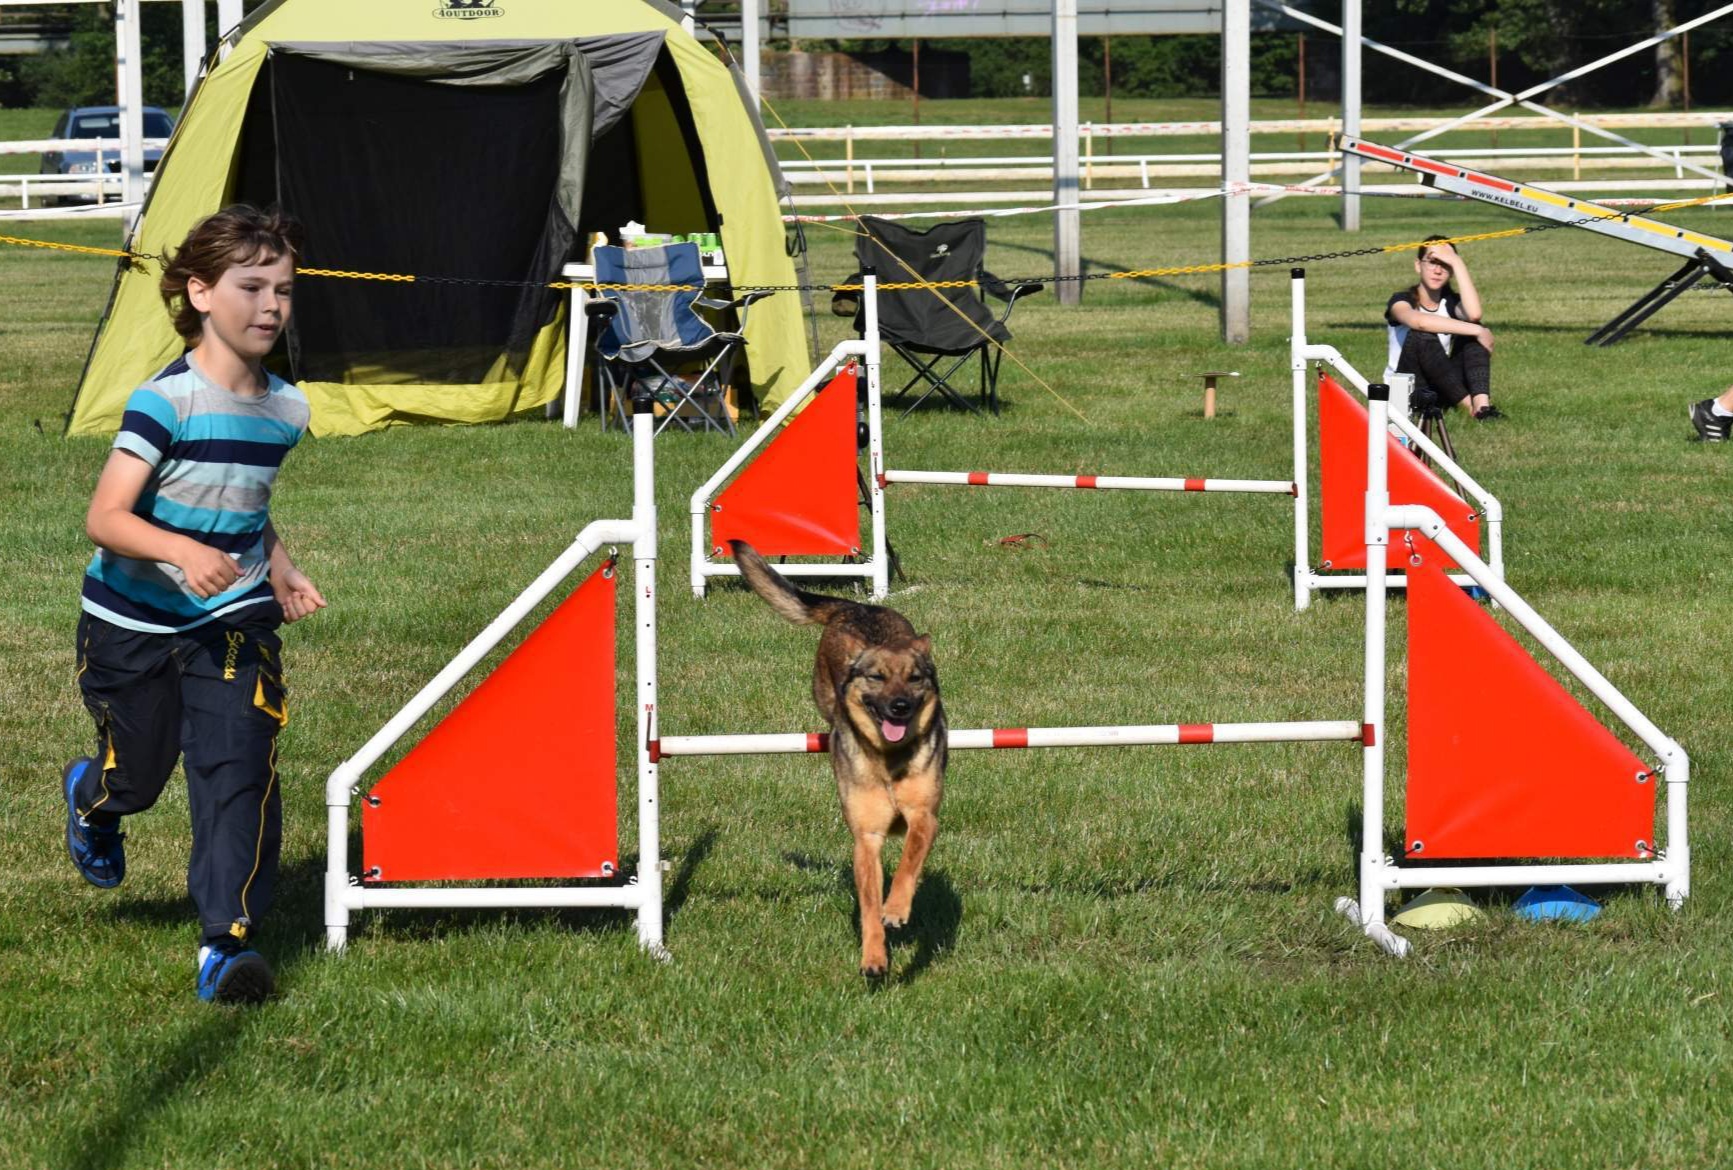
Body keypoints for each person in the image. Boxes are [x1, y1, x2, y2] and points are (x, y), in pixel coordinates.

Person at [63, 205, 324, 1005]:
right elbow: (105, 518)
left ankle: (226, 944)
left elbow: (243, 503)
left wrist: (276, 567)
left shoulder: (286, 408)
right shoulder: (163, 403)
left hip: (233, 618)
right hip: (131, 626)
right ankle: (94, 800)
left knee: (237, 761)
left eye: (282, 289)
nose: (272, 305)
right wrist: (179, 549)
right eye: (252, 287)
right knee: (139, 776)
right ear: (201, 293)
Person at [1385, 234, 1503, 422]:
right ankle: (1468, 406)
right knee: (1422, 335)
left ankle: (1483, 408)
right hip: (1406, 388)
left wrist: (1457, 263)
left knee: (1471, 334)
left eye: (1445, 264)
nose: (1438, 270)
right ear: (1418, 265)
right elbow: (1419, 322)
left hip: (1441, 387)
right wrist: (1478, 331)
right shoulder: (1401, 300)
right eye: (1432, 262)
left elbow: (1474, 315)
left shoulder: (1450, 303)